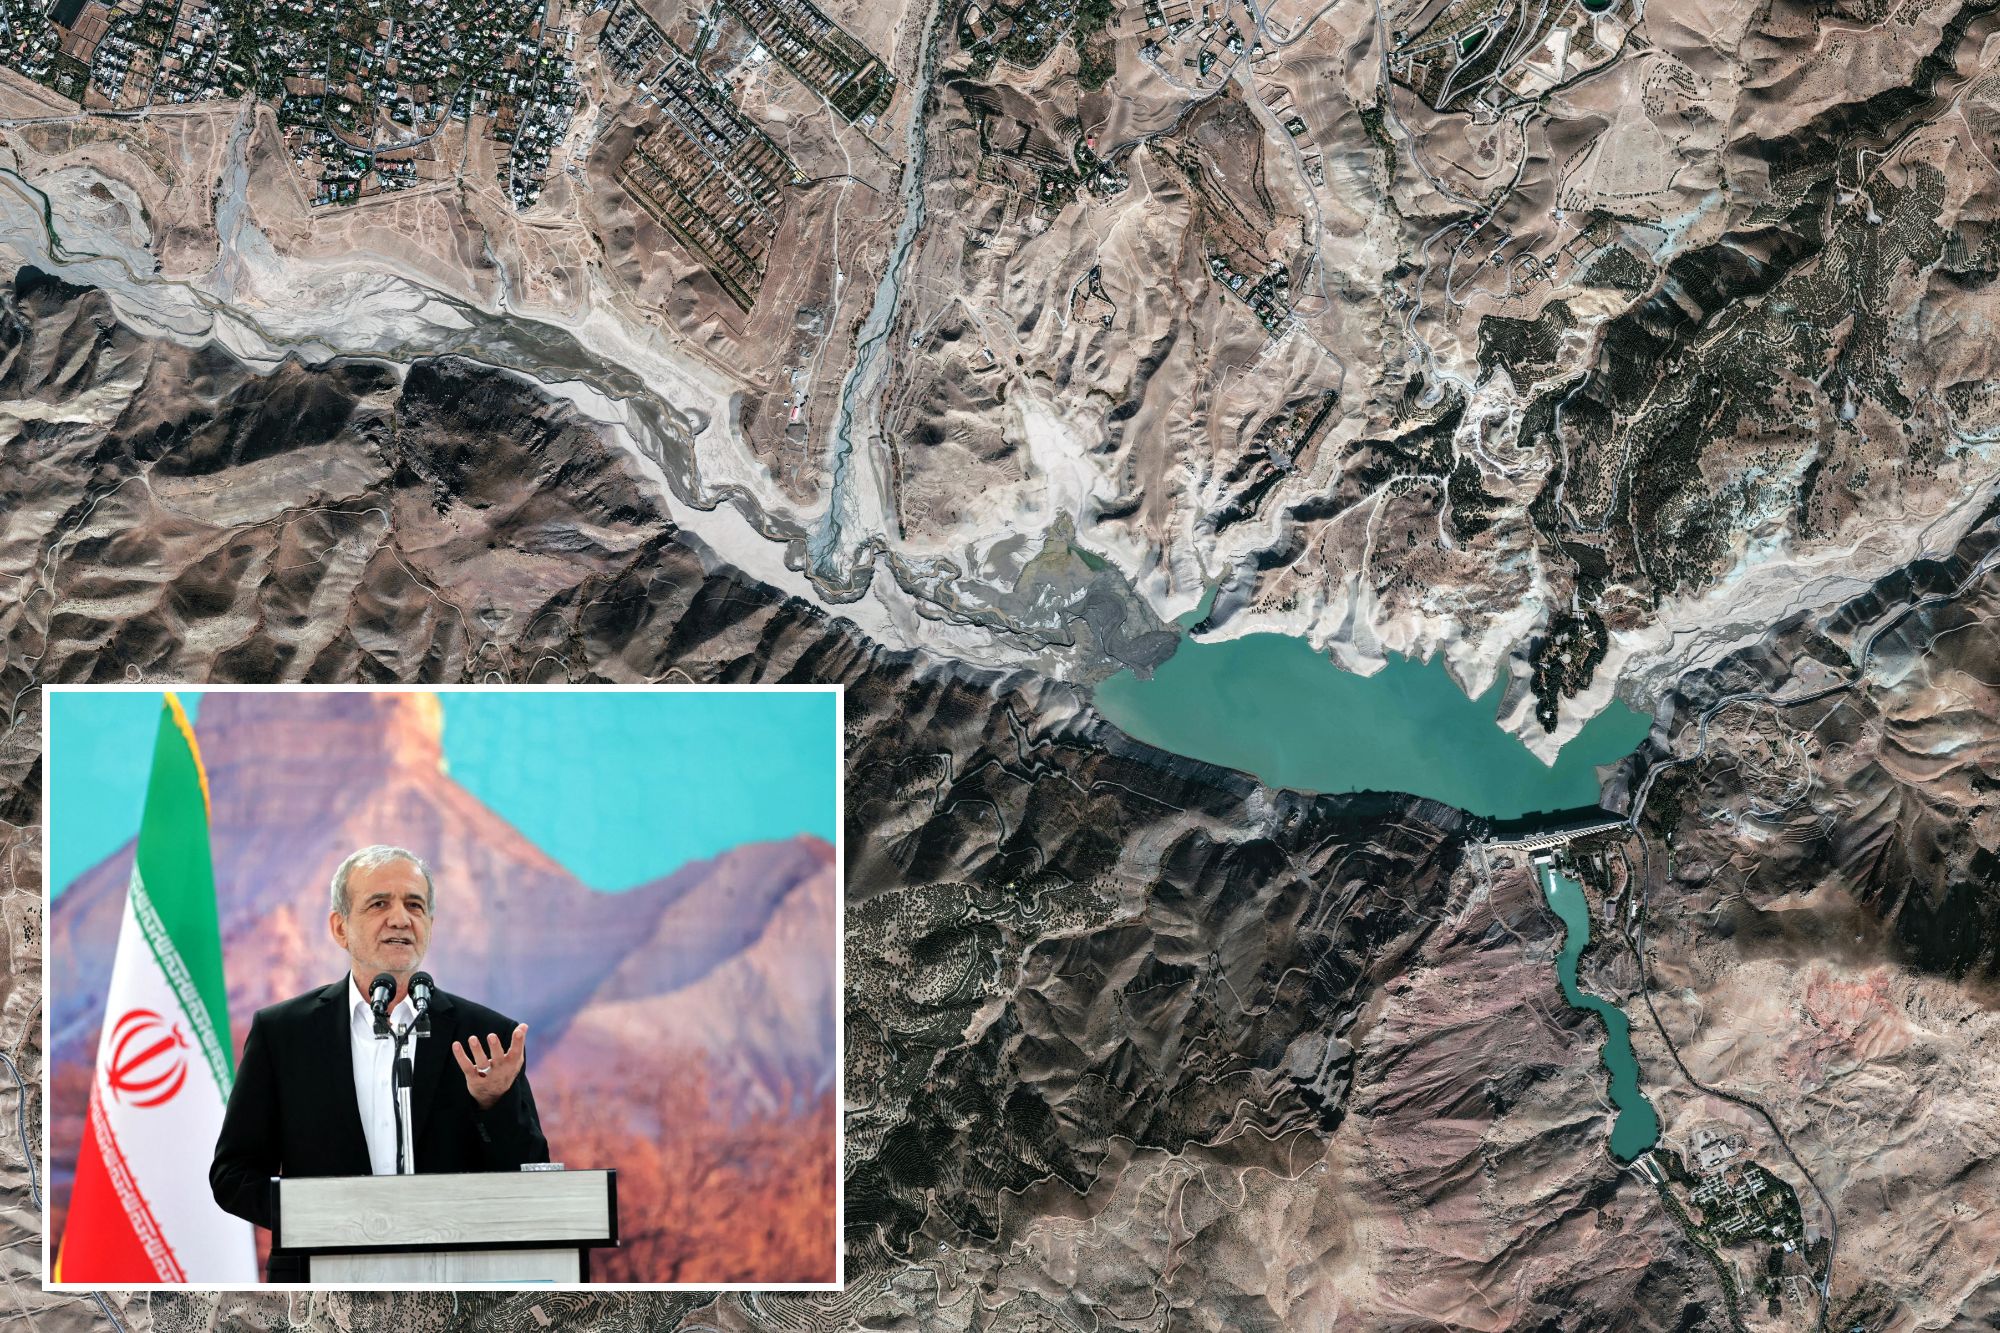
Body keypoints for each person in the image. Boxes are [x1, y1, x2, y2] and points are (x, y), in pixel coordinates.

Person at [209, 845, 548, 1281]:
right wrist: (327, 1218)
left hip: (456, 1290)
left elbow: (531, 1180)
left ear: (430, 925)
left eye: (415, 905)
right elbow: (234, 1174)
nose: (401, 918)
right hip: (320, 1292)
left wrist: (494, 1105)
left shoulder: (486, 1037)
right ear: (340, 927)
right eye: (378, 904)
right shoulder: (284, 1034)